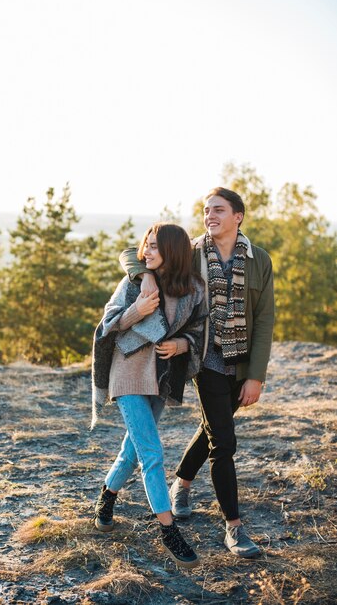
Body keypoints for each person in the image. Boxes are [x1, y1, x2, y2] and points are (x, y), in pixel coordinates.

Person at [120, 188, 274, 559]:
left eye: (218, 210)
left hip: (240, 362)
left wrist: (256, 376)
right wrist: (146, 277)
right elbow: (132, 253)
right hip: (203, 360)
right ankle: (234, 527)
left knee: (213, 430)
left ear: (238, 216)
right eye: (206, 210)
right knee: (224, 441)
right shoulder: (189, 251)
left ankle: (182, 482)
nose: (210, 216)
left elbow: (265, 318)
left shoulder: (259, 260)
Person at [91, 223, 207, 568]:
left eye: (155, 247)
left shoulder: (193, 290)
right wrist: (136, 312)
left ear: (173, 252)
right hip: (126, 375)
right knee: (152, 454)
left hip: (160, 378)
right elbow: (106, 326)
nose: (146, 252)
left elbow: (199, 330)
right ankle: (168, 530)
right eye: (146, 245)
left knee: (133, 449)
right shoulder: (133, 283)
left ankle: (106, 496)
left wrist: (181, 343)